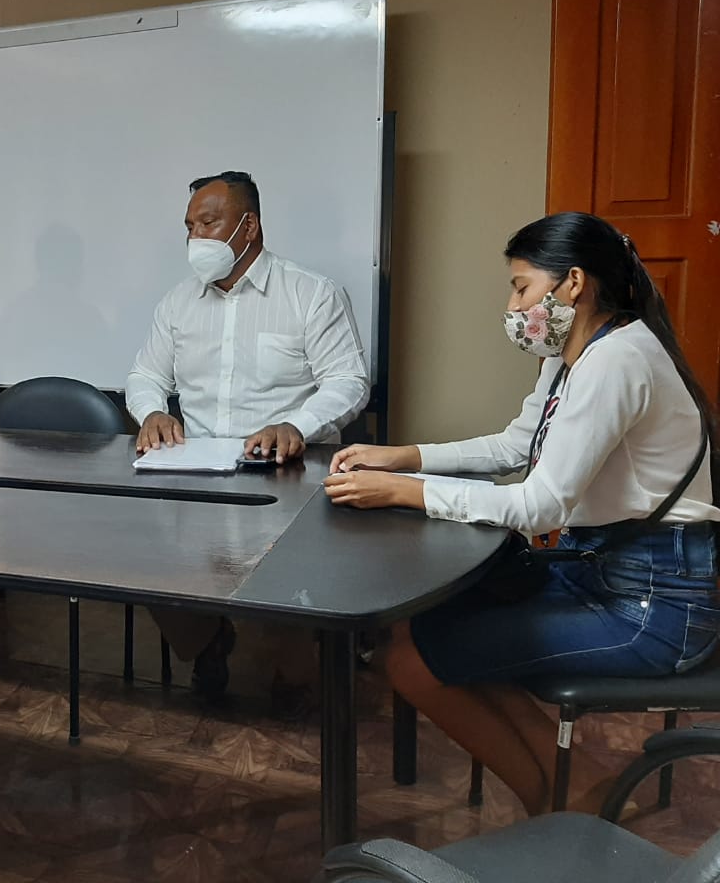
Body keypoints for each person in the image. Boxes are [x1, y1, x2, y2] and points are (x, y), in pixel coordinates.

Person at [326, 211, 720, 815]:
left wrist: (404, 491)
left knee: (410, 660)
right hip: (604, 572)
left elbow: (540, 507)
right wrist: (407, 457)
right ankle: (577, 786)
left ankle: (552, 803)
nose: (513, 306)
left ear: (573, 283)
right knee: (429, 626)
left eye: (521, 287)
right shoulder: (578, 353)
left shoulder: (616, 361)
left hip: (654, 606)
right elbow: (517, 444)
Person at [126, 171, 370, 698]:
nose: (196, 237)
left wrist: (296, 424)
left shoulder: (311, 293)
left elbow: (349, 382)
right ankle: (207, 642)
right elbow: (145, 375)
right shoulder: (178, 302)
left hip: (286, 476)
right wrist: (151, 412)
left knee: (290, 610)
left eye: (209, 223)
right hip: (196, 472)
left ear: (249, 226)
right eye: (190, 227)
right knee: (146, 556)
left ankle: (295, 666)